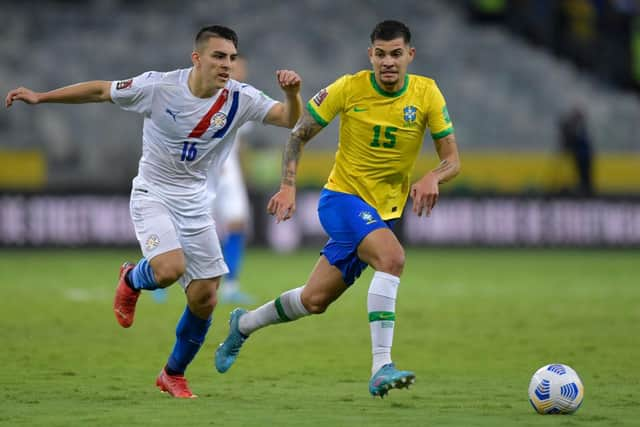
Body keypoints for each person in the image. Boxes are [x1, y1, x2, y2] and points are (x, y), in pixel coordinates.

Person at [5, 25, 302, 399]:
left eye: (230, 57)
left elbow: (290, 119)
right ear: (197, 58)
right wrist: (40, 97)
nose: (226, 64)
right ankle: (132, 279)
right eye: (217, 56)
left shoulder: (240, 98)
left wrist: (293, 95)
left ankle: (172, 374)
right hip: (153, 194)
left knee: (205, 297)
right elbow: (100, 90)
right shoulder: (159, 87)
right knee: (168, 269)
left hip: (196, 203)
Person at [215, 20, 461, 398]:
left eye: (396, 54)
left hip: (383, 213)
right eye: (381, 54)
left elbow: (452, 160)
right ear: (371, 56)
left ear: (410, 55)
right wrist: (287, 185)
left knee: (314, 300)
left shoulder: (427, 94)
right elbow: (298, 133)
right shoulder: (348, 87)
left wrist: (433, 177)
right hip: (342, 199)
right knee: (392, 259)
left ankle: (243, 325)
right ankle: (382, 366)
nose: (388, 62)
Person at [209, 55, 255, 304]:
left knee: (237, 224)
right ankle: (161, 280)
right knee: (190, 227)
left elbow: (240, 144)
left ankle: (231, 285)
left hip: (231, 170)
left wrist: (243, 174)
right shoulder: (208, 94)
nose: (240, 70)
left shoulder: (244, 99)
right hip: (206, 169)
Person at [558, 106, 594, 196]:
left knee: (584, 174)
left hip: (583, 155)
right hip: (581, 154)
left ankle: (585, 189)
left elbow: (577, 140)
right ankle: (584, 189)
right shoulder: (579, 126)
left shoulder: (578, 127)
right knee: (582, 174)